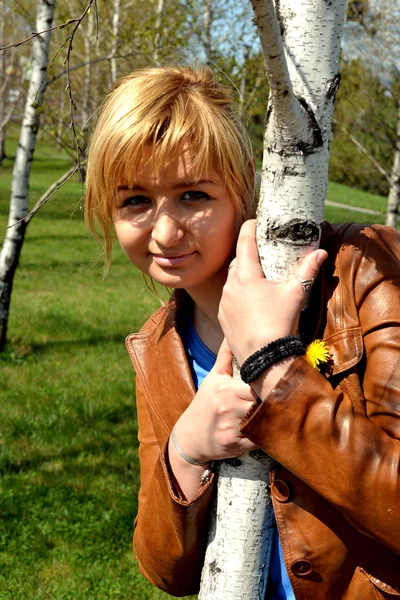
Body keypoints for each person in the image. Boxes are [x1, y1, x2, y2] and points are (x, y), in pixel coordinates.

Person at [85, 64, 400, 599]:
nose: (164, 232)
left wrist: (273, 366)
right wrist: (185, 450)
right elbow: (166, 571)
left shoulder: (366, 270)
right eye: (135, 200)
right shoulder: (158, 346)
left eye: (193, 195)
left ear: (244, 182)